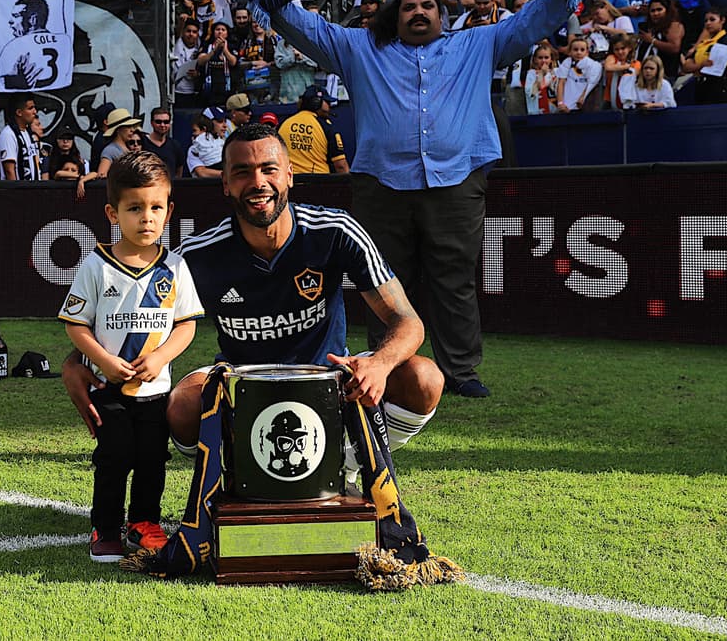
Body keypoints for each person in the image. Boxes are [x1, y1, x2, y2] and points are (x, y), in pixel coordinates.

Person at [249, 0, 591, 396]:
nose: (418, 12)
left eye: (427, 6)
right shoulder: (360, 48)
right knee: (383, 282)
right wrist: (278, 0)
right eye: (408, 6)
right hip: (381, 184)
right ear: (395, 14)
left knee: (455, 279)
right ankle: (384, 368)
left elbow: (531, 22)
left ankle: (461, 371)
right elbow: (310, 30)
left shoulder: (479, 43)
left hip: (456, 181)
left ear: (441, 14)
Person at [63, 126, 442, 497]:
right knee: (182, 405)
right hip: (241, 387)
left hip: (326, 382)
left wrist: (380, 363)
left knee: (423, 378)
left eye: (269, 169)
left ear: (290, 176)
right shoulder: (199, 256)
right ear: (225, 183)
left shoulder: (335, 231)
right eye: (242, 172)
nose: (257, 181)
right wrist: (74, 362)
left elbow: (407, 321)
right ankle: (239, 470)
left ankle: (343, 465)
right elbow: (130, 313)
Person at [58, 151, 203, 562]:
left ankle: (145, 521)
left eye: (156, 207)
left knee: (153, 459)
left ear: (169, 211)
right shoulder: (96, 266)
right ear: (112, 212)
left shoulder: (175, 267)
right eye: (135, 208)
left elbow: (186, 325)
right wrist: (102, 360)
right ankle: (104, 528)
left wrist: (160, 359)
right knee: (113, 457)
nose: (147, 217)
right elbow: (76, 325)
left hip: (156, 390)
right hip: (109, 388)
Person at [278, 85, 347, 174]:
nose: (330, 106)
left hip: (289, 182)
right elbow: (341, 166)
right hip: (318, 183)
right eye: (327, 102)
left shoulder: (284, 124)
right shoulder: (326, 126)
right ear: (316, 102)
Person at [679, 8, 727, 104]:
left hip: (718, 86)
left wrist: (696, 66)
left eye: (712, 20)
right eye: (706, 21)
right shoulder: (703, 43)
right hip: (701, 86)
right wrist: (700, 65)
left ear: (722, 20)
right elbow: (686, 66)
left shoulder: (726, 40)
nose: (708, 23)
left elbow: (713, 67)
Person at [0, 91, 42, 180]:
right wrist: (16, 193)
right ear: (19, 112)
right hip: (19, 191)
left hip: (32, 190)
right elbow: (9, 171)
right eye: (30, 108)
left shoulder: (28, 133)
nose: (35, 112)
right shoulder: (8, 134)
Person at [141, 105, 184, 177]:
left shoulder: (175, 145)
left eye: (166, 122)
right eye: (158, 122)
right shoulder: (142, 142)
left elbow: (179, 170)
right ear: (152, 123)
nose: (162, 125)